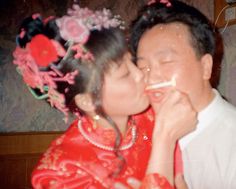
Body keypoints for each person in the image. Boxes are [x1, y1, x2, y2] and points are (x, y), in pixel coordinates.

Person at [12, 4, 197, 189]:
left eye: (132, 61)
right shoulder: (62, 170)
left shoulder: (152, 116)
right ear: (88, 100)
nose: (140, 74)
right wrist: (164, 140)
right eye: (125, 74)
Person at [130, 0, 236, 188]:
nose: (152, 77)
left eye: (166, 61)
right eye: (143, 67)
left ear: (205, 67)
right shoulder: (133, 133)